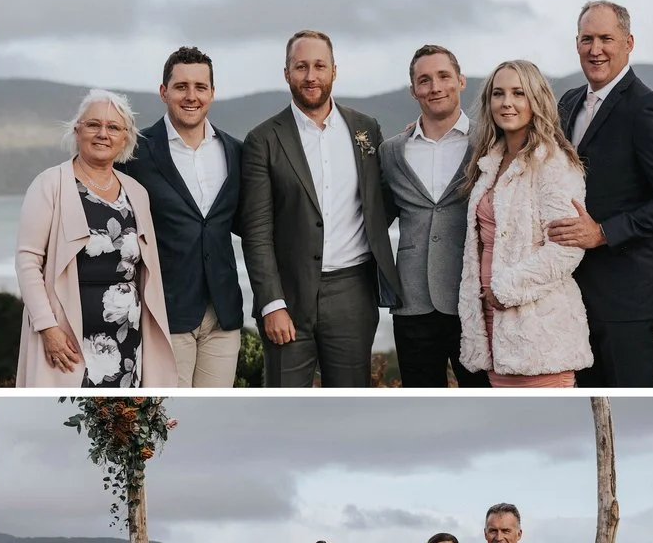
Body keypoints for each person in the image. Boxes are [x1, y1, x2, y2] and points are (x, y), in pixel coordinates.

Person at [550, 0, 653, 386]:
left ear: (628, 43)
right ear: (577, 43)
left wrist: (603, 232)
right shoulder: (567, 103)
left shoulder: (646, 109)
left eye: (606, 39)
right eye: (587, 39)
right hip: (572, 296)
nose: (595, 49)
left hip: (627, 301)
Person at [237, 30, 394, 387]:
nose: (311, 76)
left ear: (334, 71)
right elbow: (256, 232)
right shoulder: (263, 140)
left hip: (352, 293)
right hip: (287, 297)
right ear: (286, 73)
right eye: (301, 66)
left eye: (319, 66)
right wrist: (271, 303)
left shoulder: (365, 130)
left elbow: (383, 201)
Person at [14, 89, 180, 387]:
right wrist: (47, 328)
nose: (103, 134)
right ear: (77, 130)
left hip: (128, 342)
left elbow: (146, 272)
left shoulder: (137, 193)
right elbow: (28, 261)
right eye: (93, 125)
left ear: (125, 138)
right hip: (66, 341)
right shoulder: (49, 184)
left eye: (113, 127)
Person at [459, 60, 592, 387]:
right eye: (499, 94)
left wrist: (504, 290)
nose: (507, 102)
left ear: (536, 100)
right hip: (493, 326)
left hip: (537, 328)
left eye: (519, 93)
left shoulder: (554, 162)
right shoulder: (490, 161)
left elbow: (565, 252)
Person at [131, 46, 246, 386]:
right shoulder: (135, 152)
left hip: (223, 315)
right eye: (181, 87)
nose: (191, 96)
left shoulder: (235, 150)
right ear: (164, 92)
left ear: (212, 93)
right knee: (170, 416)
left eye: (200, 87)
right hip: (165, 313)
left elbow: (253, 223)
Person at [382, 46, 489, 389]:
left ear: (460, 81)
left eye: (444, 76)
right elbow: (376, 216)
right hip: (412, 302)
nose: (435, 87)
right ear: (413, 90)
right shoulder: (392, 151)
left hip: (471, 298)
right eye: (424, 80)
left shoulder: (488, 141)